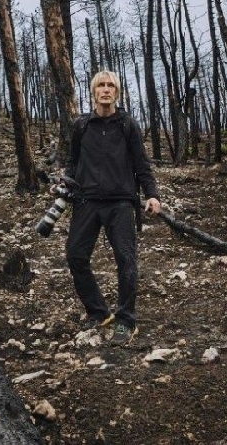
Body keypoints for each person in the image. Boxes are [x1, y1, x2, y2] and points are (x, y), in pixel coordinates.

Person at [60, 70, 161, 346]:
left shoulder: (128, 125)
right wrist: (64, 181)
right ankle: (98, 311)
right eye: (101, 86)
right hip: (87, 201)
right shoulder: (81, 126)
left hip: (120, 202)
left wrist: (152, 195)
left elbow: (142, 165)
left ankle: (126, 321)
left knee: (126, 261)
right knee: (75, 255)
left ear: (117, 92)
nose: (106, 90)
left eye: (111, 86)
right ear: (94, 92)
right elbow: (72, 162)